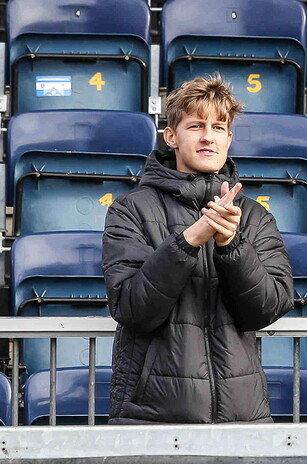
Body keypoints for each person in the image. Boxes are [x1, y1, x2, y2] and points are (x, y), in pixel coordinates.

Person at [102, 74, 293, 424]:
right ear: (171, 136)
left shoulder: (254, 216)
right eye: (196, 126)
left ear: (229, 138)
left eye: (219, 127)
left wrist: (230, 245)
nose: (208, 137)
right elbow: (131, 307)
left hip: (242, 417)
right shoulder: (130, 210)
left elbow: (267, 308)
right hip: (152, 419)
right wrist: (188, 241)